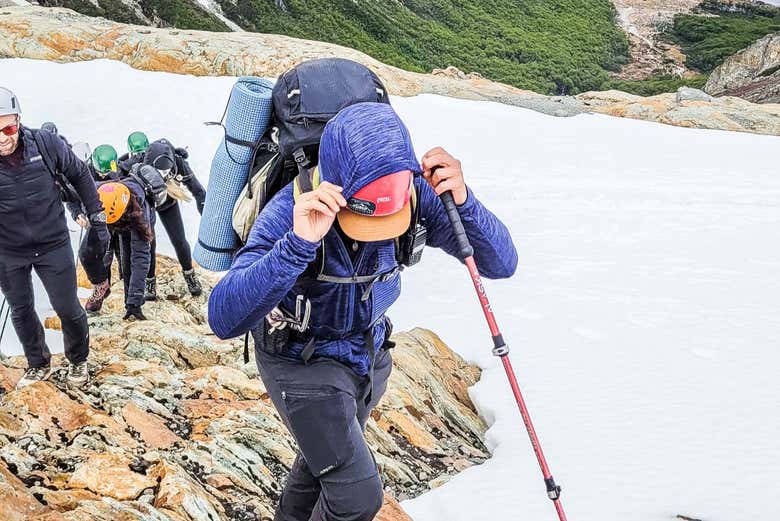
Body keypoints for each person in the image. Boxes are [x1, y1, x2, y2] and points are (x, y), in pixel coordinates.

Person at [208, 103, 518, 521]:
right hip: (301, 359)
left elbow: (501, 263)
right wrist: (298, 244)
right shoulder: (291, 208)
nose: (381, 231)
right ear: (335, 187)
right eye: (364, 217)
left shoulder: (411, 191)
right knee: (356, 495)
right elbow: (223, 317)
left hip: (370, 354)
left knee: (320, 466)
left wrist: (464, 202)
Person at [0, 87, 109, 389]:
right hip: (9, 251)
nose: (2, 137)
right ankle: (37, 364)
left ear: (19, 121)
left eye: (8, 128)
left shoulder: (45, 145)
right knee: (20, 309)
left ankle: (78, 360)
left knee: (67, 307)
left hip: (53, 244)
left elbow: (79, 174)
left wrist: (97, 215)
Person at [123, 137, 205, 300]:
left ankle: (189, 274)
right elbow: (119, 169)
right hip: (147, 202)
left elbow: (199, 192)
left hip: (168, 201)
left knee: (179, 240)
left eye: (166, 173)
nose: (162, 177)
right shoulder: (138, 160)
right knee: (149, 241)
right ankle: (150, 281)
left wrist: (207, 221)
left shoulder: (178, 163)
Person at [81, 179, 154, 319]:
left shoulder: (140, 216)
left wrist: (135, 302)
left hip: (131, 216)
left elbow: (140, 259)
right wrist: (78, 212)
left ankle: (131, 303)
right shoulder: (96, 191)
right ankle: (101, 285)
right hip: (104, 213)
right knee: (85, 252)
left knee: (127, 261)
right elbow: (74, 189)